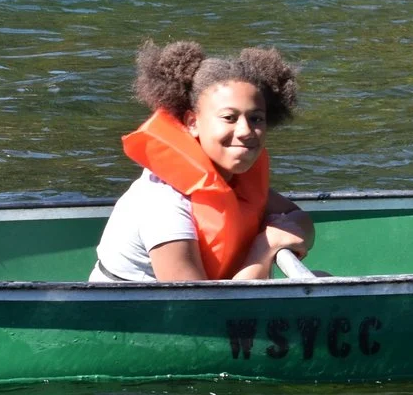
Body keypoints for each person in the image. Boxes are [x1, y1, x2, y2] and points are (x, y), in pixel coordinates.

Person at [93, 41, 316, 282]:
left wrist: (284, 232)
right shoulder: (164, 205)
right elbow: (200, 307)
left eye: (256, 119)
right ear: (192, 122)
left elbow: (299, 218)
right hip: (153, 314)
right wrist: (265, 247)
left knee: (323, 281)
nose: (245, 130)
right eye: (229, 117)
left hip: (213, 303)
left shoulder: (233, 179)